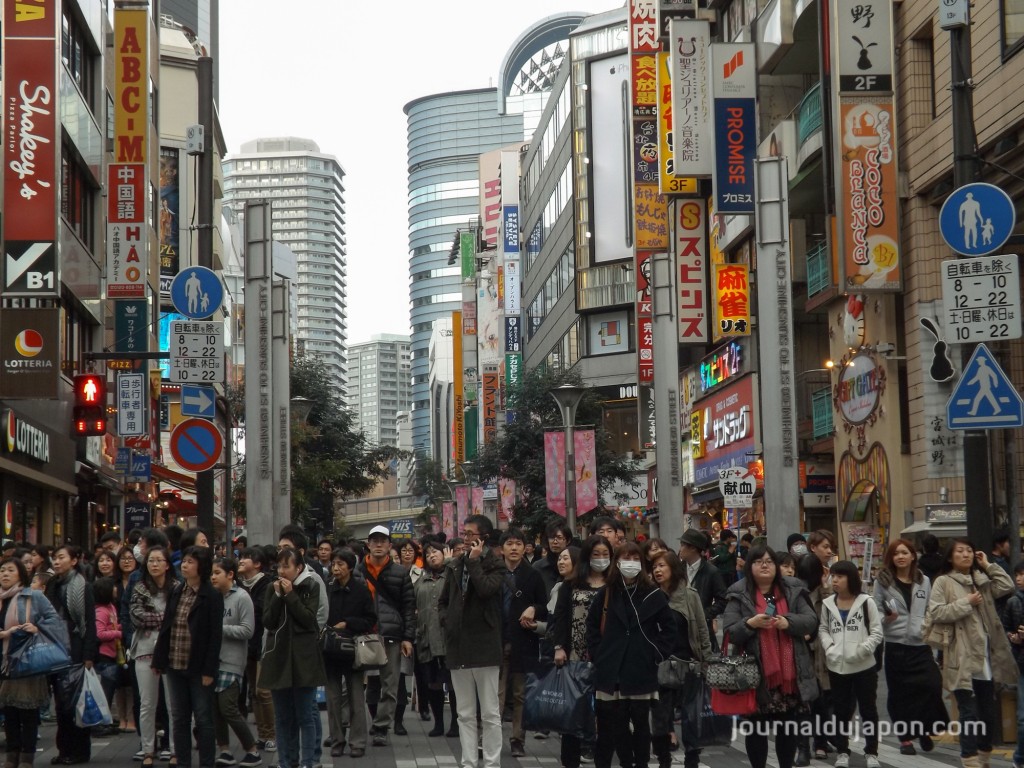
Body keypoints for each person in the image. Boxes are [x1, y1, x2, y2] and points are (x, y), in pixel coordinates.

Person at [722, 545, 819, 768]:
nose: (764, 565)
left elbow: (811, 620)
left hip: (789, 675)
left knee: (787, 729)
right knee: (756, 730)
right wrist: (750, 623)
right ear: (749, 566)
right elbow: (730, 632)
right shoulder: (739, 593)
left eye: (769, 561)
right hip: (755, 675)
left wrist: (788, 622)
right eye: (758, 561)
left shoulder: (793, 588)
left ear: (776, 566)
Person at [925, 538, 1016, 768]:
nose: (966, 554)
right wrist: (966, 602)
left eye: (969, 550)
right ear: (950, 557)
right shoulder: (943, 582)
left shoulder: (980, 579)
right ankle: (969, 759)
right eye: (960, 551)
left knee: (988, 711)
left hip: (986, 656)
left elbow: (1007, 585)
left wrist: (988, 565)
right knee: (968, 712)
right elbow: (936, 612)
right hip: (961, 654)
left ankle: (984, 755)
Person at [585, 542, 675, 768]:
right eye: (626, 558)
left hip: (641, 668)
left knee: (642, 724)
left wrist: (656, 654)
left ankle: (641, 763)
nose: (631, 563)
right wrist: (598, 654)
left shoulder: (653, 594)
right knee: (617, 725)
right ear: (617, 562)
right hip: (611, 669)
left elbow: (669, 629)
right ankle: (626, 762)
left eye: (636, 559)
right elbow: (592, 626)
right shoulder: (607, 592)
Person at [438, 514, 505, 768]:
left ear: (483, 537)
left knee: (489, 712)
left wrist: (475, 562)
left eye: (470, 534)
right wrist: (447, 620)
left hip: (485, 645)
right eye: (463, 533)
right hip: (458, 644)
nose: (465, 538)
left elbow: (486, 590)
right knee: (464, 713)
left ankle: (491, 763)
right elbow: (443, 601)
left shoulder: (495, 564)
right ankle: (468, 762)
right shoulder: (455, 564)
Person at [873, 539, 947, 755]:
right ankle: (905, 738)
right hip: (895, 645)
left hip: (920, 643)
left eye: (904, 552)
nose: (900, 557)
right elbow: (875, 610)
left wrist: (927, 625)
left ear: (913, 555)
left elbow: (931, 608)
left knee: (932, 685)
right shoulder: (883, 582)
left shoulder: (923, 580)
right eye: (896, 553)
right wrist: (886, 618)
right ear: (891, 558)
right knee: (899, 694)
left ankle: (924, 729)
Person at [152, 546, 224, 768]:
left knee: (203, 718)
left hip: (199, 667)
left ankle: (206, 764)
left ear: (201, 566)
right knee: (179, 718)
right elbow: (167, 627)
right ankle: (183, 763)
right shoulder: (177, 590)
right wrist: (159, 659)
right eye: (183, 561)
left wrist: (209, 670)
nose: (184, 565)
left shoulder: (211, 595)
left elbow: (215, 636)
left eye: (190, 562)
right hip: (175, 663)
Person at [258, 548, 326, 768]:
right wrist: (279, 595)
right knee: (282, 716)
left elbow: (308, 619)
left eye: (286, 566)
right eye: (279, 566)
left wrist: (290, 595)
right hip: (278, 657)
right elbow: (268, 621)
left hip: (303, 658)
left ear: (298, 568)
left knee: (305, 714)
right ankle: (286, 761)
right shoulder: (272, 588)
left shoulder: (311, 586)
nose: (281, 571)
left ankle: (307, 762)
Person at [550, 535, 610, 768]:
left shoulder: (614, 585)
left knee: (605, 714)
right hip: (575, 657)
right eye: (596, 554)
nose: (601, 559)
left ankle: (601, 758)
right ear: (587, 556)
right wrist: (559, 647)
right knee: (573, 711)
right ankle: (570, 760)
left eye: (605, 554)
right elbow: (560, 617)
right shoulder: (571, 584)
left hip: (606, 657)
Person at [649, 550, 711, 768]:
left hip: (689, 664)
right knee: (659, 721)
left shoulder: (689, 595)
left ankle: (692, 760)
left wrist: (706, 661)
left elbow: (702, 630)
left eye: (662, 566)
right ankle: (664, 760)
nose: (657, 570)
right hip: (660, 666)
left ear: (674, 568)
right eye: (654, 567)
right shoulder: (650, 596)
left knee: (692, 719)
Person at [818, 560, 883, 768]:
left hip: (864, 666)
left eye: (840, 576)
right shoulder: (828, 604)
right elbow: (823, 629)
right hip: (837, 666)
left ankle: (871, 752)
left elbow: (877, 632)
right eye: (833, 576)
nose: (835, 580)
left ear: (851, 578)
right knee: (841, 710)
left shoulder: (866, 602)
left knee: (868, 710)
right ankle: (842, 751)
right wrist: (830, 648)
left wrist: (863, 650)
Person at [0, 556, 63, 768]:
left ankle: (27, 756)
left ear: (21, 574)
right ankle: (11, 756)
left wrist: (37, 628)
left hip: (27, 659)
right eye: (2, 570)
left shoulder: (32, 596)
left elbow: (54, 620)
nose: (5, 574)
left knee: (27, 711)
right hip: (4, 661)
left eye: (10, 570)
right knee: (8, 711)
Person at [355, 525, 415, 745]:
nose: (378, 545)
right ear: (368, 545)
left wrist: (407, 637)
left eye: (383, 541)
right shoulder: (357, 571)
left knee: (390, 684)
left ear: (390, 546)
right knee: (366, 683)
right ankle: (369, 722)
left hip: (391, 635)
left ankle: (381, 727)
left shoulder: (400, 573)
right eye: (374, 541)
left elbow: (408, 607)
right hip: (364, 634)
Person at [498, 529, 547, 758]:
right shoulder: (494, 573)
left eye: (518, 543)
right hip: (497, 640)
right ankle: (489, 737)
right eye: (510, 543)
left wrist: (534, 609)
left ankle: (517, 739)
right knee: (495, 694)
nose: (514, 548)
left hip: (523, 641)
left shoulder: (533, 574)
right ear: (502, 548)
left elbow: (544, 606)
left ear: (525, 547)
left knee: (520, 694)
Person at [47, 545, 98, 765]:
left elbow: (89, 622)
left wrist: (88, 655)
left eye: (61, 558)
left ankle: (80, 751)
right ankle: (64, 750)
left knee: (76, 702)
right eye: (54, 558)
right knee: (60, 704)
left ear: (74, 561)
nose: (56, 562)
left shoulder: (82, 586)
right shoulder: (52, 583)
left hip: (76, 648)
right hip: (55, 647)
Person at [209, 557, 260, 768]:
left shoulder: (241, 597)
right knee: (215, 709)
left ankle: (252, 750)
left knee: (228, 707)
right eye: (211, 573)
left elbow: (248, 630)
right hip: (212, 661)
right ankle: (225, 750)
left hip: (232, 661)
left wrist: (219, 629)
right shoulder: (212, 597)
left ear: (230, 575)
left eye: (217, 573)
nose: (213, 577)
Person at [324, 548, 375, 758]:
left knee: (356, 699)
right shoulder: (328, 589)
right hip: (330, 651)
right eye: (333, 564)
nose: (335, 568)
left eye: (340, 564)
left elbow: (370, 620)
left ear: (350, 567)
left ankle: (358, 742)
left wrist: (348, 623)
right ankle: (337, 740)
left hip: (353, 650)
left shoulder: (361, 590)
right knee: (333, 699)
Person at [130, 547, 178, 768]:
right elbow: (136, 617)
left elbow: (180, 618)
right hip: (145, 649)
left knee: (173, 704)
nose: (154, 564)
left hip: (172, 650)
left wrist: (160, 619)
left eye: (159, 560)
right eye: (151, 560)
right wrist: (165, 619)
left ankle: (175, 749)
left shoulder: (177, 588)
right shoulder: (139, 588)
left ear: (167, 564)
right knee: (147, 703)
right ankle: (148, 749)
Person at [414, 540, 456, 738]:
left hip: (449, 639)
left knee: (454, 683)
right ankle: (438, 723)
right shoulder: (420, 582)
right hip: (427, 639)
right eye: (428, 553)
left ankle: (455, 723)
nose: (431, 555)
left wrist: (451, 564)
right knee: (433, 683)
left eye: (435, 552)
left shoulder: (453, 575)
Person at [236, 548, 275, 753]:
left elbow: (260, 613)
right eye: (240, 557)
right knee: (253, 691)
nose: (241, 560)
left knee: (263, 691)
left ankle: (271, 735)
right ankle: (262, 735)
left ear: (258, 564)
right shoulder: (240, 585)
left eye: (246, 558)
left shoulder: (266, 584)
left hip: (263, 643)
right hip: (248, 645)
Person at [677, 530, 727, 651]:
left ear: (693, 548)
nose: (680, 549)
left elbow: (723, 600)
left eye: (683, 545)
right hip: (680, 628)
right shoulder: (678, 570)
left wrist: (705, 614)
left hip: (702, 630)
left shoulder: (711, 572)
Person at [92, 577, 123, 737]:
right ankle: (99, 725)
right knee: (104, 693)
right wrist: (118, 633)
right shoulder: (101, 611)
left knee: (109, 691)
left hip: (113, 653)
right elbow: (99, 633)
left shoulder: (111, 607)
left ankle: (106, 722)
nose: (116, 589)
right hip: (104, 656)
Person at [1002, 562, 1024, 768]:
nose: (1018, 578)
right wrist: (1014, 637)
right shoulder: (1013, 602)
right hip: (1022, 663)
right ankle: (1019, 757)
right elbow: (1006, 627)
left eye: (1022, 574)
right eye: (1017, 574)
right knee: (1022, 718)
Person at [533, 520, 572, 595]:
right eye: (551, 537)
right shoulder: (538, 567)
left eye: (559, 537)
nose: (555, 542)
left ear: (568, 541)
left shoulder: (576, 565)